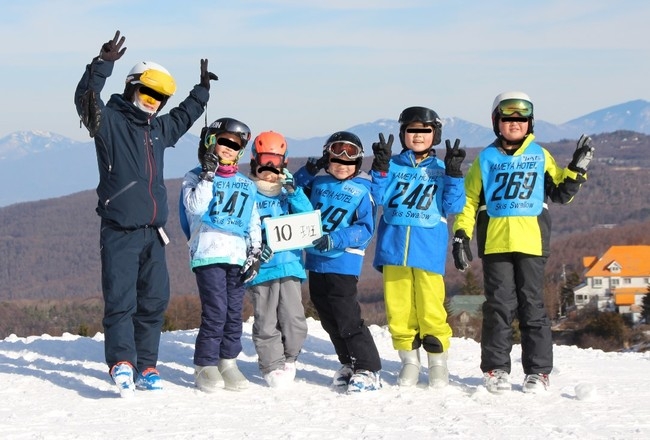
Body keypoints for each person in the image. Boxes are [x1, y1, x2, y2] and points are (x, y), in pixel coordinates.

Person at [74, 30, 217, 397]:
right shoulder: (109, 122)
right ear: (131, 88)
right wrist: (101, 65)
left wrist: (201, 92)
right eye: (147, 93)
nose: (153, 103)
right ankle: (122, 362)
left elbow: (183, 117)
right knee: (121, 300)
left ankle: (147, 366)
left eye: (159, 98)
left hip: (154, 233)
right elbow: (86, 99)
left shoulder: (158, 130)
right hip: (119, 231)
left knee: (153, 301)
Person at [452, 91, 594, 394]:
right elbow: (469, 200)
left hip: (531, 242)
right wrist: (461, 234)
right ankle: (496, 369)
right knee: (498, 306)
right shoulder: (485, 159)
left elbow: (561, 193)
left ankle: (538, 372)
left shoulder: (540, 155)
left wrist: (577, 169)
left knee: (532, 305)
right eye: (508, 119)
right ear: (496, 123)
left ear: (530, 123)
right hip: (495, 243)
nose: (514, 124)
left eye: (521, 119)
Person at [370, 106, 466, 389]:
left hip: (428, 251)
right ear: (403, 134)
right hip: (393, 248)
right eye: (412, 131)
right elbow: (375, 197)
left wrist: (454, 175)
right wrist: (380, 169)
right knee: (398, 308)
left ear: (435, 134)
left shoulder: (440, 170)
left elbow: (454, 205)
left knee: (430, 307)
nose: (418, 136)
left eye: (425, 131)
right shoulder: (393, 166)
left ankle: (437, 362)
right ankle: (409, 361)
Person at [181, 118, 269, 393]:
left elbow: (252, 220)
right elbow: (195, 208)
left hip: (237, 255)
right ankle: (205, 364)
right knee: (216, 311)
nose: (229, 148)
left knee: (233, 313)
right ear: (212, 142)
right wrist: (208, 175)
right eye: (224, 141)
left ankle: (227, 361)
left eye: (236, 145)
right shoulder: (194, 177)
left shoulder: (246, 184)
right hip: (208, 253)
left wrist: (255, 252)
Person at [294, 131, 382, 393]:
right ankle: (348, 361)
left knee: (346, 315)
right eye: (336, 160)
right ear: (326, 159)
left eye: (349, 162)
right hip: (316, 260)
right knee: (327, 316)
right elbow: (291, 192)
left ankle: (368, 367)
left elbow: (365, 229)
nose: (342, 165)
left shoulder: (362, 190)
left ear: (358, 163)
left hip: (343, 260)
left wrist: (335, 239)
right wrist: (307, 172)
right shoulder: (317, 183)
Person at [246, 131, 312, 388]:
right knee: (266, 320)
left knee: (294, 318)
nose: (270, 173)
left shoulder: (289, 193)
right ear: (254, 163)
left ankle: (290, 358)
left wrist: (294, 192)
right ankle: (271, 365)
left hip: (290, 265)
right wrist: (254, 250)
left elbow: (308, 219)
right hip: (262, 269)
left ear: (284, 164)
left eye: (275, 166)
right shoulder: (249, 193)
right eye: (264, 165)